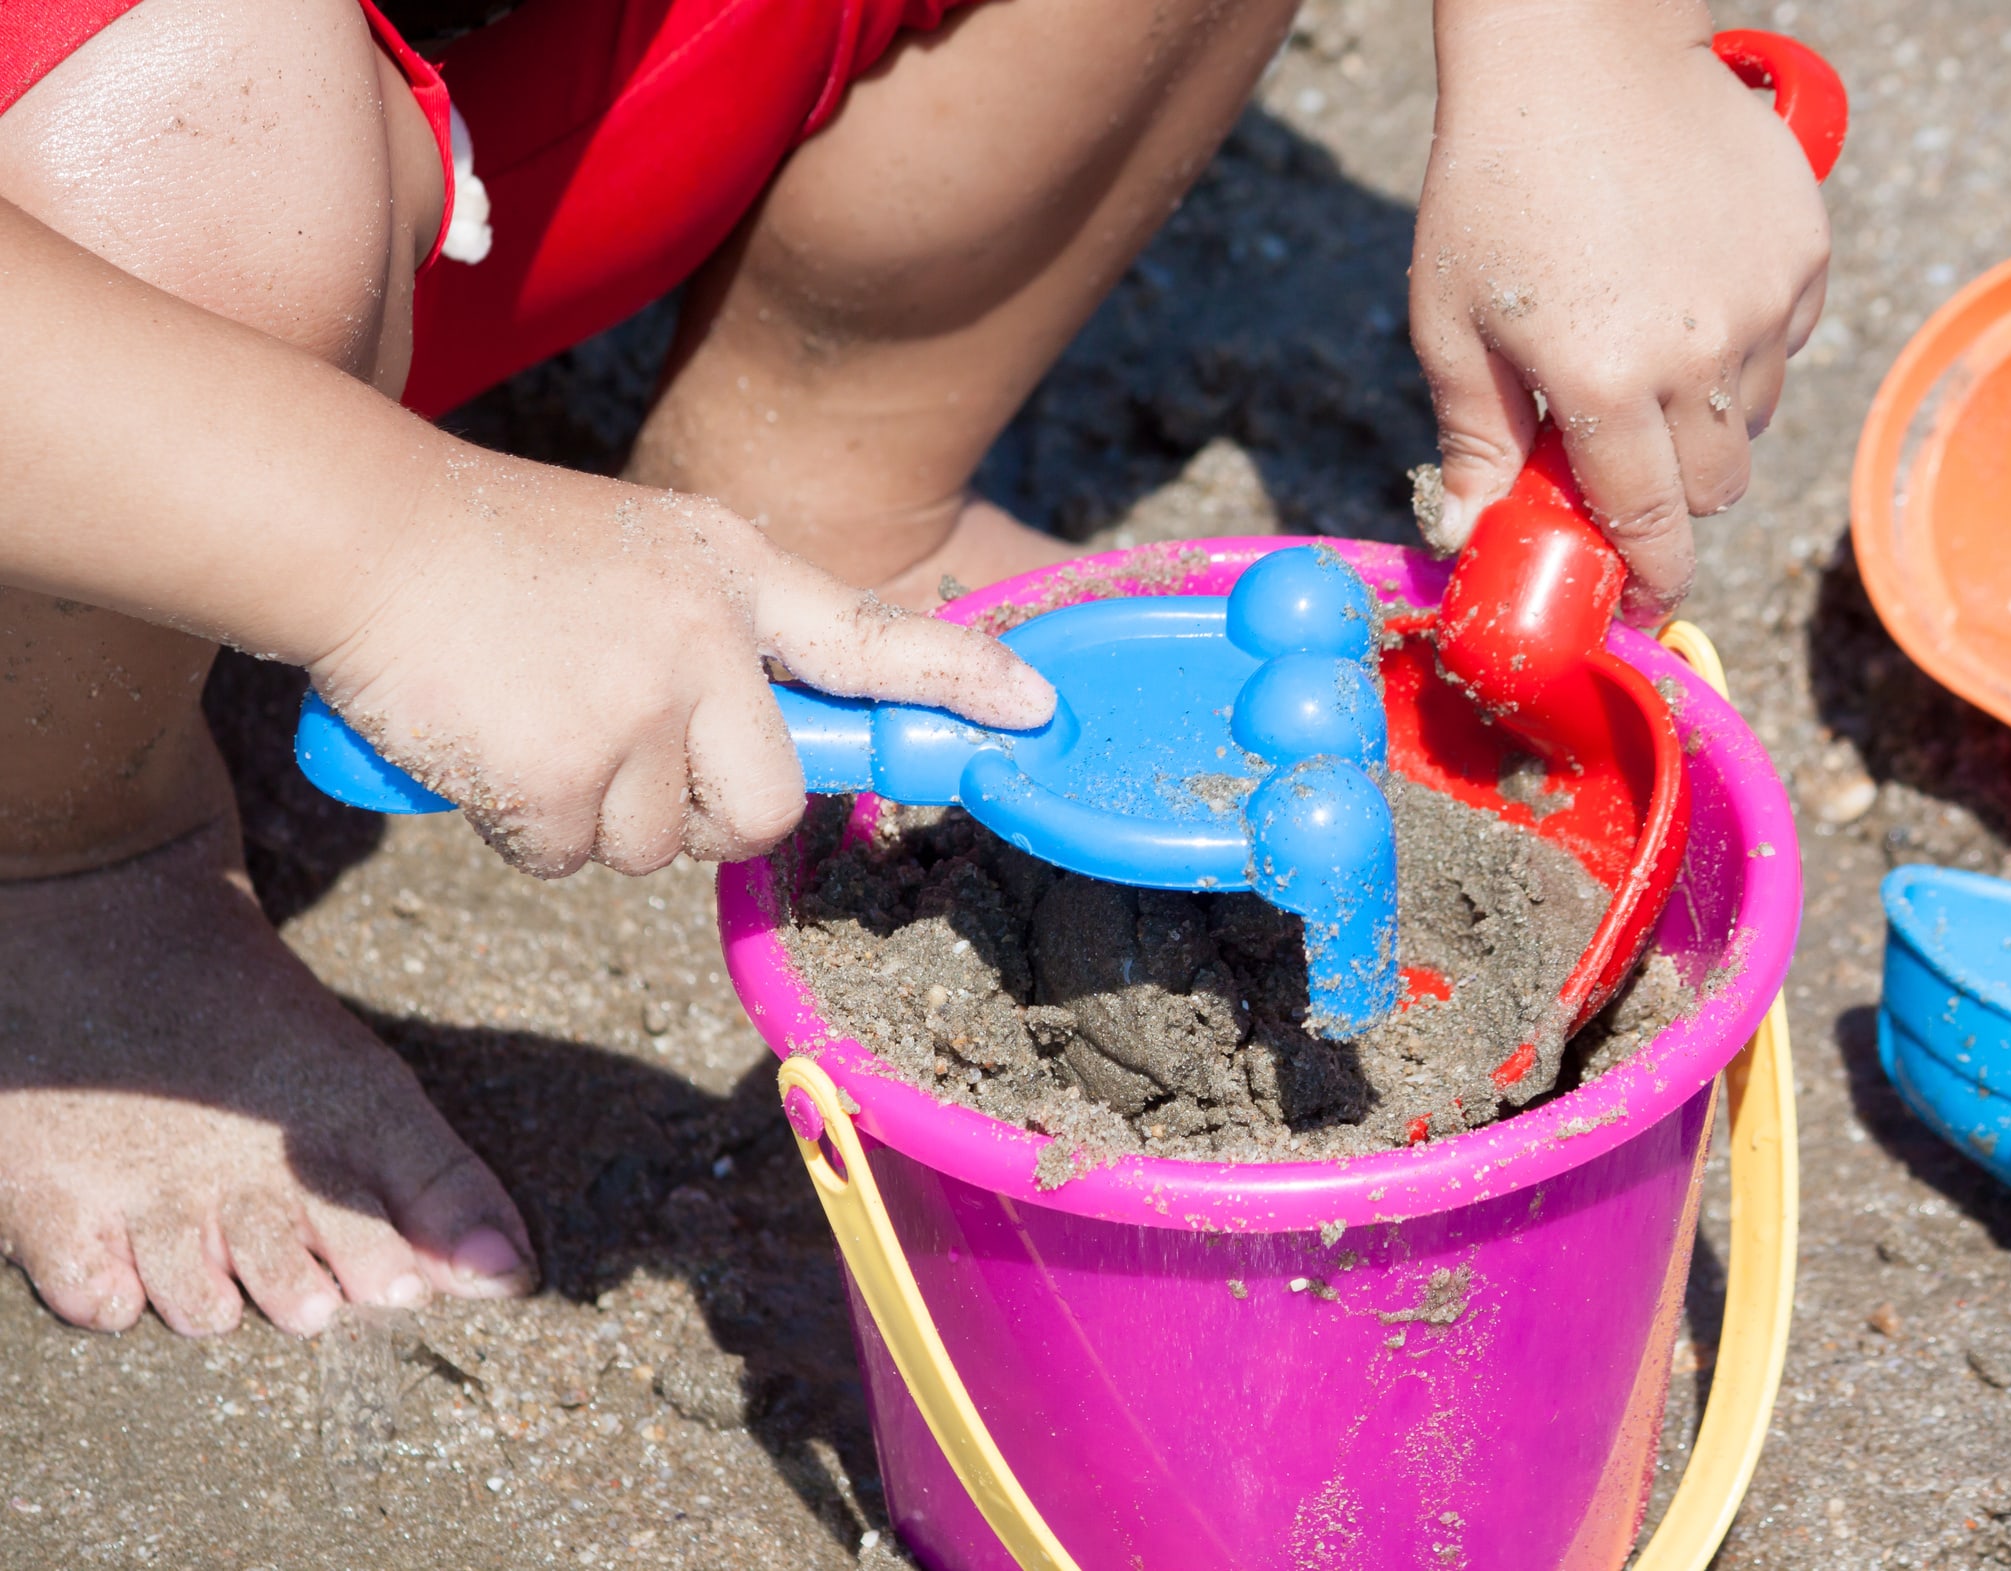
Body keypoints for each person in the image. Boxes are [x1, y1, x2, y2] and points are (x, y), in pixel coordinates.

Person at [0, 0, 1829, 1338]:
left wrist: (1591, 52)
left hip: (625, 94)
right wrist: (386, 547)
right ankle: (69, 852)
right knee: (190, 146)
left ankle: (829, 479)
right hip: (124, 301)